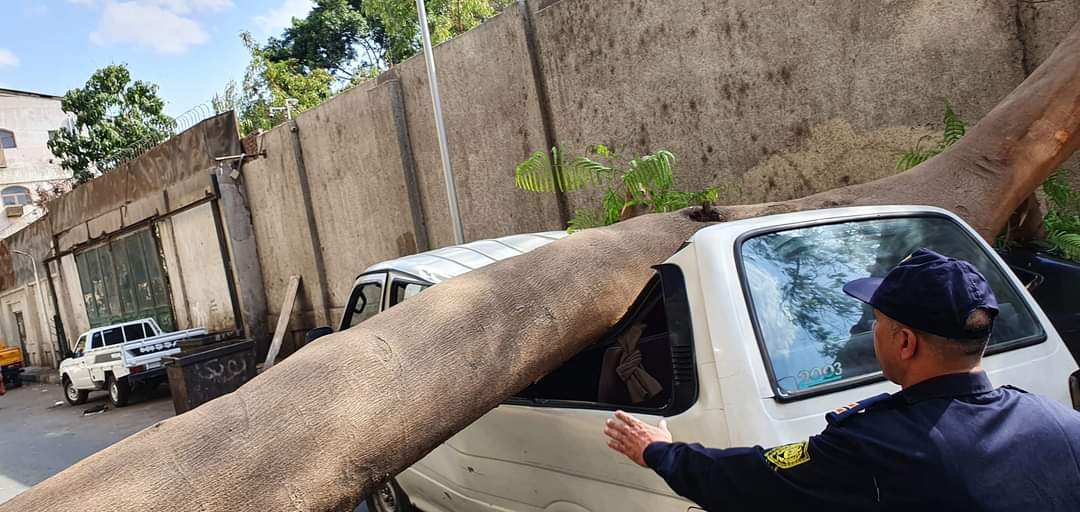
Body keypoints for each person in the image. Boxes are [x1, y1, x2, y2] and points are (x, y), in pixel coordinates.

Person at [603, 248, 1080, 510]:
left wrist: (658, 451)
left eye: (876, 321)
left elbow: (752, 482)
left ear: (905, 342)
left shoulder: (877, 444)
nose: (868, 331)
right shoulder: (1062, 425)